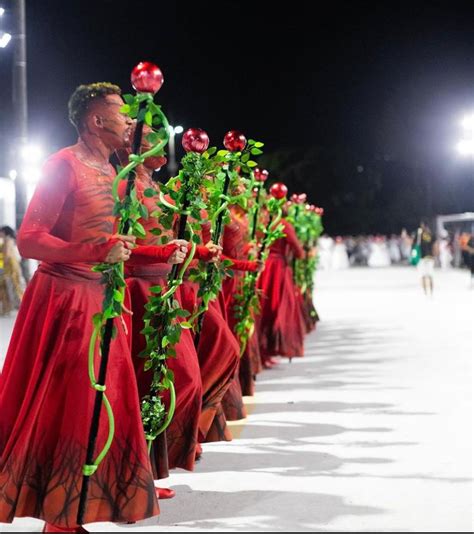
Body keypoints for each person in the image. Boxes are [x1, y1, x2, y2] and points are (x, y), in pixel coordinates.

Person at [0, 83, 160, 532]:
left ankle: (77, 509)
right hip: (66, 301)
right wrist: (94, 251)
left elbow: (117, 247)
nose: (130, 121)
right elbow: (31, 239)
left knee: (102, 407)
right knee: (69, 406)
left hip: (104, 301)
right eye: (120, 112)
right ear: (95, 120)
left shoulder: (115, 173)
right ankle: (60, 518)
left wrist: (161, 253)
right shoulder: (61, 164)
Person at [0, 226, 24, 315]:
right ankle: (9, 307)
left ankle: (17, 306)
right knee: (12, 286)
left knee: (11, 286)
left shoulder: (7, 241)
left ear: (4, 232)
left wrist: (1, 267)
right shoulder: (10, 241)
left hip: (9, 267)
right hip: (13, 266)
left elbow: (6, 256)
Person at [416, 222, 436, 296]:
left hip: (423, 257)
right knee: (428, 275)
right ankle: (429, 293)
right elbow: (434, 246)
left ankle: (427, 293)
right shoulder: (431, 235)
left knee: (425, 276)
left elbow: (417, 245)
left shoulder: (420, 235)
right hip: (429, 257)